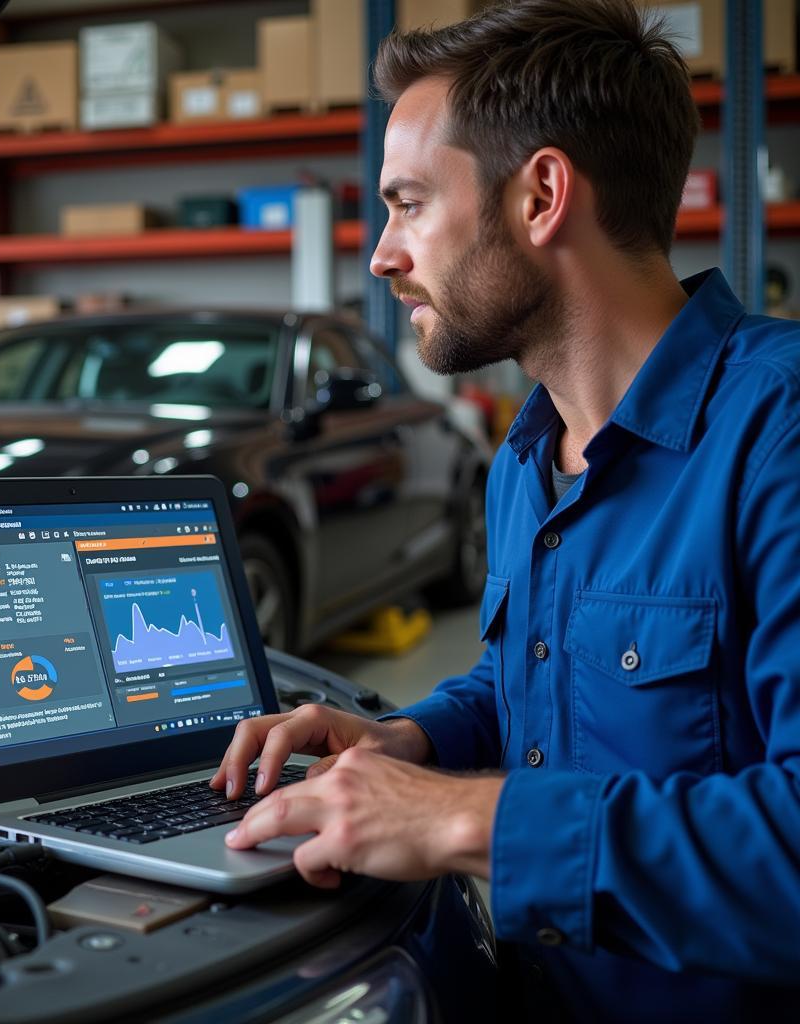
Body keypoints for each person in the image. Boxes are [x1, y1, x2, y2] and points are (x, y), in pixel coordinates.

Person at [209, 0, 800, 1019]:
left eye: (406, 204)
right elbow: (528, 678)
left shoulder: (777, 433)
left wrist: (454, 819)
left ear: (540, 197)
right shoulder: (527, 454)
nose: (381, 257)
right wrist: (410, 742)